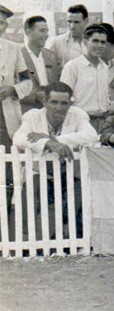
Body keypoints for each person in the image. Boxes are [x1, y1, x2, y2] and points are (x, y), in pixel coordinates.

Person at [12, 82, 98, 239]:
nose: (59, 108)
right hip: (41, 174)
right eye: (54, 102)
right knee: (32, 191)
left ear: (70, 103)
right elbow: (18, 138)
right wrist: (47, 143)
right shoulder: (33, 116)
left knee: (78, 194)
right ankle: (24, 238)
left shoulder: (78, 114)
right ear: (45, 102)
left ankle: (72, 239)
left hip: (69, 175)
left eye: (64, 103)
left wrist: (55, 139)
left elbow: (91, 136)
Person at [59, 23, 111, 130]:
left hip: (103, 122)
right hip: (81, 122)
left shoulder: (105, 68)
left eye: (103, 42)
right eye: (95, 41)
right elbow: (63, 98)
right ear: (85, 42)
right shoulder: (73, 66)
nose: (99, 45)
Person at [0, 13, 33, 148]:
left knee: (8, 161)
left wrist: (13, 89)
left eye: (1, 23)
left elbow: (27, 81)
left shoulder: (13, 49)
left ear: (5, 26)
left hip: (5, 119)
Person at [19, 16, 62, 114]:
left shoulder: (51, 56)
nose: (46, 35)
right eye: (42, 31)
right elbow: (13, 88)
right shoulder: (18, 56)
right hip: (27, 112)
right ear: (28, 31)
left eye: (47, 31)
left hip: (50, 112)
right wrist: (35, 96)